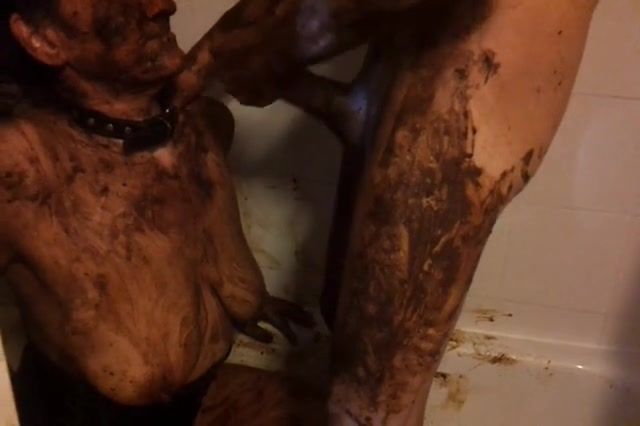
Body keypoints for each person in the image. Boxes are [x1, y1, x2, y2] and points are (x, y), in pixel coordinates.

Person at [176, 0, 601, 424]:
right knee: (358, 376)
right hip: (434, 118)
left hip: (451, 141)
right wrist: (293, 83)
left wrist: (213, 56)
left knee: (367, 410)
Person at [0, 0, 313, 424]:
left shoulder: (198, 122)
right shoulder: (20, 169)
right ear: (44, 40)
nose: (164, 5)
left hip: (203, 396)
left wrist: (245, 298)